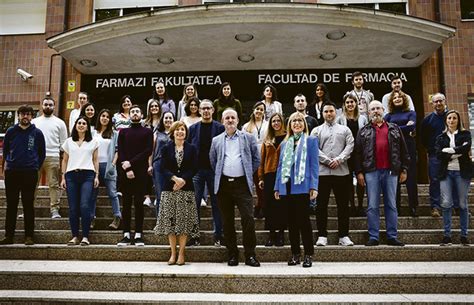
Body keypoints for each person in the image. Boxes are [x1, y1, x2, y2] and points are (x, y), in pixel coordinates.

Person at [210, 108, 260, 267]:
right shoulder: (216, 140)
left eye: (233, 118)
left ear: (238, 120)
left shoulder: (248, 138)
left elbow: (256, 159)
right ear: (223, 121)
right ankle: (232, 254)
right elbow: (213, 161)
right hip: (223, 185)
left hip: (242, 185)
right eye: (227, 118)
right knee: (227, 222)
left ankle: (250, 255)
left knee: (248, 219)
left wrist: (246, 172)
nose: (230, 120)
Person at [355, 101, 409, 247]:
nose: (376, 111)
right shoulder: (363, 131)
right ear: (368, 113)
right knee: (372, 205)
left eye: (378, 108)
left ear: (383, 110)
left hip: (391, 172)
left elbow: (404, 150)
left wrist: (404, 169)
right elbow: (358, 153)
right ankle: (373, 236)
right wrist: (359, 172)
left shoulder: (394, 128)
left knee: (391, 204)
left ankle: (392, 236)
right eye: (372, 109)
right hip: (371, 172)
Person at [274, 112, 318, 268]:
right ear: (289, 125)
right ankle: (295, 254)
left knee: (304, 222)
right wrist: (277, 187)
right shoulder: (285, 143)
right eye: (294, 121)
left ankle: (308, 254)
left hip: (302, 186)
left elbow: (314, 165)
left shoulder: (311, 141)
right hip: (286, 186)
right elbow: (280, 166)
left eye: (300, 120)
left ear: (304, 124)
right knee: (291, 223)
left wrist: (314, 186)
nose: (297, 123)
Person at [154, 121, 199, 265]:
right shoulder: (166, 148)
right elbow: (162, 167)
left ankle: (181, 253)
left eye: (183, 130)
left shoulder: (191, 148)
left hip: (186, 189)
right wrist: (174, 179)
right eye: (177, 130)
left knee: (184, 223)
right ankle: (173, 253)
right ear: (173, 133)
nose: (180, 132)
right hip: (169, 189)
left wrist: (183, 180)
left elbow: (194, 168)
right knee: (171, 223)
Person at [0, 105, 45, 245]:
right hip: (12, 171)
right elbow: (6, 150)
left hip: (30, 172)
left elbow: (41, 153)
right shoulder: (11, 131)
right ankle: (9, 236)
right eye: (22, 114)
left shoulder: (37, 133)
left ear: (32, 116)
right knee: (11, 204)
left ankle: (29, 236)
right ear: (18, 115)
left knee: (28, 204)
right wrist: (6, 167)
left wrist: (35, 165)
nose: (25, 116)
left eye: (28, 114)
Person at [311, 102, 354, 246]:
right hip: (322, 173)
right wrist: (327, 160)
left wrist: (339, 159)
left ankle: (344, 235)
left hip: (341, 172)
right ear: (322, 114)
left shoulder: (345, 129)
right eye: (326, 111)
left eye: (331, 111)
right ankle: (322, 235)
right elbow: (313, 148)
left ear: (336, 112)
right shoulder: (316, 131)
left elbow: (350, 146)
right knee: (321, 205)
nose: (329, 114)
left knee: (343, 205)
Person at [187, 100, 225, 247]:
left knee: (217, 204)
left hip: (214, 171)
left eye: (209, 108)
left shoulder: (220, 128)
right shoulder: (193, 128)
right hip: (197, 171)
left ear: (213, 110)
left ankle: (218, 236)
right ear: (199, 110)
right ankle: (194, 236)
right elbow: (189, 149)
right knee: (194, 204)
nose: (206, 111)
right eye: (203, 108)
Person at [116, 105, 153, 247]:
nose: (135, 113)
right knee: (126, 204)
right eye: (132, 112)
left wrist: (130, 163)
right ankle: (125, 234)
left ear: (142, 114)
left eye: (137, 111)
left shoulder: (147, 131)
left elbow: (148, 150)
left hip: (141, 172)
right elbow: (121, 151)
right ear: (129, 115)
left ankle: (138, 234)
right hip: (125, 172)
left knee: (138, 203)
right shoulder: (123, 132)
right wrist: (127, 168)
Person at [60, 116, 99, 246]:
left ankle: (86, 237)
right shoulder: (69, 142)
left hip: (88, 175)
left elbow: (95, 160)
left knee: (84, 205)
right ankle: (75, 236)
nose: (81, 125)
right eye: (79, 123)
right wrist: (63, 177)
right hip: (71, 176)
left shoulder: (93, 142)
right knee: (73, 208)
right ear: (75, 125)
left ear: (87, 127)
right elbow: (64, 160)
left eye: (84, 123)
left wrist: (97, 176)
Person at [435, 110, 471, 246]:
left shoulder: (465, 134)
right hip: (446, 173)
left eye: (454, 118)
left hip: (462, 173)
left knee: (462, 204)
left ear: (458, 120)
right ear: (446, 121)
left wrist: (449, 151)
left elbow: (466, 148)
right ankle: (447, 235)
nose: (451, 120)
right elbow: (438, 154)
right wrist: (457, 151)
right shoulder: (441, 137)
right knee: (446, 204)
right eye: (449, 118)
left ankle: (464, 235)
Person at [32, 96, 68, 219]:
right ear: (42, 106)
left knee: (53, 184)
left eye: (50, 105)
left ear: (54, 106)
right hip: (35, 158)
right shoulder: (34, 122)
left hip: (52, 157)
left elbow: (64, 143)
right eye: (46, 104)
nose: (48, 106)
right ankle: (28, 209)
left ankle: (54, 210)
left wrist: (58, 154)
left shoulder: (60, 123)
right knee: (32, 184)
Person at [384, 91, 419, 217]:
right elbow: (384, 129)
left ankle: (413, 207)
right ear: (391, 101)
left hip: (409, 147)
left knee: (411, 178)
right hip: (393, 148)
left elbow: (412, 126)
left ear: (404, 99)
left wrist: (394, 127)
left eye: (400, 97)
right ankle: (396, 207)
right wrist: (404, 126)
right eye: (395, 98)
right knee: (394, 179)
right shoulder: (388, 115)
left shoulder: (411, 113)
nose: (397, 99)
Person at [336, 92, 368, 217]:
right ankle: (352, 206)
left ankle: (360, 205)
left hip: (360, 153)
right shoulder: (340, 118)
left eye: (352, 102)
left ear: (356, 103)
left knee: (361, 179)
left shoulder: (363, 118)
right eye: (347, 102)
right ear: (344, 104)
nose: (350, 104)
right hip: (346, 153)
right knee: (348, 180)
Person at [258, 112, 287, 247]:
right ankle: (271, 234)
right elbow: (261, 160)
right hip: (269, 174)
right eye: (273, 121)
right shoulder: (267, 139)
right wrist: (260, 177)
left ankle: (281, 233)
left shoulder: (288, 137)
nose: (276, 123)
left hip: (283, 174)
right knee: (269, 204)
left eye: (278, 121)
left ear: (282, 122)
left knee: (281, 205)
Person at [420, 93, 449, 217]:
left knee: (452, 179)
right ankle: (435, 207)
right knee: (435, 180)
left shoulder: (452, 117)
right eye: (435, 101)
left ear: (444, 101)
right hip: (435, 155)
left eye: (440, 101)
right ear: (432, 104)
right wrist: (432, 149)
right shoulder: (427, 120)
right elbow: (423, 139)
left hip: (452, 155)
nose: (438, 103)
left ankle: (457, 207)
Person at [92, 109, 121, 230]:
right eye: (102, 116)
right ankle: (91, 218)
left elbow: (117, 151)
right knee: (92, 194)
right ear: (99, 117)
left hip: (109, 166)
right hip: (94, 166)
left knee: (112, 193)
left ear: (110, 120)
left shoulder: (114, 133)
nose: (104, 118)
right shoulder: (93, 132)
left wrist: (113, 164)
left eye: (107, 117)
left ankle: (117, 217)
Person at [242, 101, 268, 219]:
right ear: (253, 110)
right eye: (257, 109)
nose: (259, 111)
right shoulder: (246, 126)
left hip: (265, 157)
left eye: (261, 110)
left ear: (264, 112)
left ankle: (261, 206)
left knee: (261, 185)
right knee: (250, 185)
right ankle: (253, 207)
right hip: (251, 158)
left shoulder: (268, 125)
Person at [151, 111, 175, 215]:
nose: (168, 120)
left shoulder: (177, 133)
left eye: (170, 118)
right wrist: (149, 165)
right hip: (158, 164)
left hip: (173, 166)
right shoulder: (157, 133)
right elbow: (151, 150)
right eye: (166, 118)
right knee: (160, 195)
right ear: (162, 120)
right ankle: (160, 223)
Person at [143, 100, 162, 208]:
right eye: (152, 106)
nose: (154, 108)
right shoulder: (145, 122)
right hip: (147, 150)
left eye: (156, 106)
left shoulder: (162, 121)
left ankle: (157, 197)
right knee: (147, 172)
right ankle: (147, 197)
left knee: (158, 174)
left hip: (159, 150)